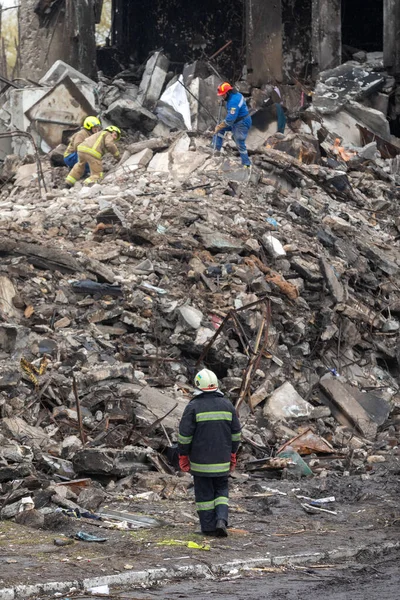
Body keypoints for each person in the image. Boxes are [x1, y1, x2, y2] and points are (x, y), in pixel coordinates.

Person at [178, 368, 241, 537]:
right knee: (221, 490)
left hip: (201, 463)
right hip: (222, 461)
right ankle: (221, 519)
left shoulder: (193, 407)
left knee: (204, 494)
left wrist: (183, 454)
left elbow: (184, 436)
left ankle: (208, 528)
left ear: (198, 385)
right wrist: (233, 453)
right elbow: (236, 434)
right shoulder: (228, 405)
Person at [212, 82, 252, 168]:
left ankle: (246, 164)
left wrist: (219, 126)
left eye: (223, 95)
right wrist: (223, 103)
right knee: (220, 130)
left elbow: (230, 120)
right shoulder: (236, 95)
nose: (222, 96)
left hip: (242, 122)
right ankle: (216, 149)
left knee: (239, 141)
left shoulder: (233, 101)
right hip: (238, 120)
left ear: (228, 92)